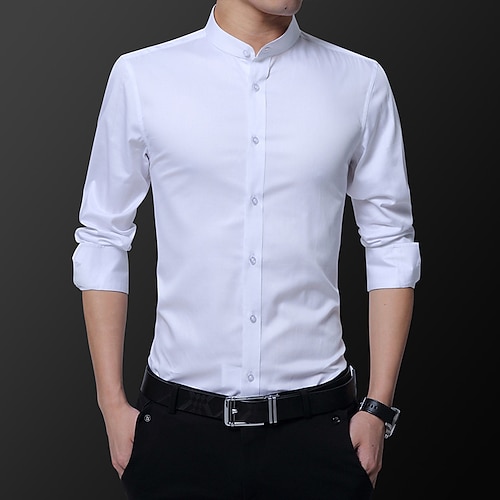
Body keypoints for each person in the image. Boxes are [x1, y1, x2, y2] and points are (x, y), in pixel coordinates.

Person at [72, 1, 421, 498]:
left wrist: (377, 407)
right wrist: (111, 405)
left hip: (321, 432)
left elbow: (390, 241)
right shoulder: (142, 77)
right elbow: (103, 236)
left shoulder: (360, 82)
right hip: (176, 435)